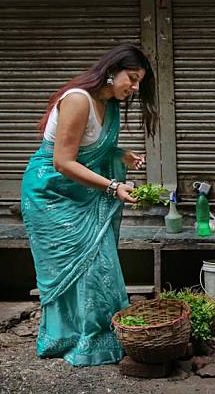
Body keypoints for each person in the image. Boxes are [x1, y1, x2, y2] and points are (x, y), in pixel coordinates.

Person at [20, 43, 158, 366]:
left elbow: (90, 147)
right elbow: (63, 162)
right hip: (50, 195)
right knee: (77, 268)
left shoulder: (109, 104)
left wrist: (120, 154)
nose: (135, 88)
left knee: (101, 263)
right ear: (112, 71)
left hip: (80, 191)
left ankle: (98, 335)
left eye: (139, 83)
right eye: (132, 79)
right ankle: (70, 338)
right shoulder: (78, 100)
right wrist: (113, 186)